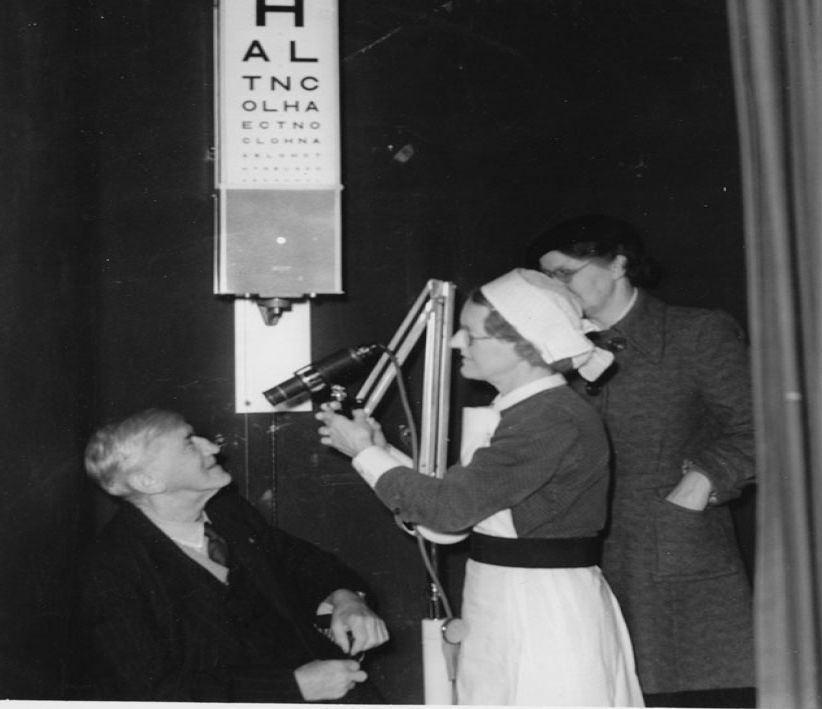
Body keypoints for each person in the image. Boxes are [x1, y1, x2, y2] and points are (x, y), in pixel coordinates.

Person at [316, 268, 644, 707]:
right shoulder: (522, 411)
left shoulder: (550, 418)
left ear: (524, 345)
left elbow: (449, 511)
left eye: (471, 334)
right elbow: (457, 510)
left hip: (541, 606)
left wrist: (363, 453)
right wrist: (379, 451)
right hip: (505, 594)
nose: (456, 343)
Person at [527, 215, 756, 707]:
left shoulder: (697, 333)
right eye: (546, 279)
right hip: (578, 561)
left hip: (674, 555)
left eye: (564, 273)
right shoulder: (549, 351)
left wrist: (701, 483)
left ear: (618, 264)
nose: (555, 289)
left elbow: (762, 427)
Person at [77, 408, 389, 703]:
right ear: (149, 481)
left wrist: (347, 598)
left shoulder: (229, 513)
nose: (213, 448)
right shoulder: (111, 568)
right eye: (189, 443)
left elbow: (303, 561)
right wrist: (292, 687)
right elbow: (148, 691)